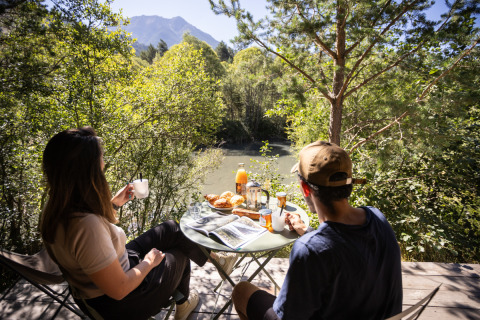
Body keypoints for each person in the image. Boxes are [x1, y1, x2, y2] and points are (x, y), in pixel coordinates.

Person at [39, 127, 237, 320]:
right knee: (180, 252)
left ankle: (218, 262)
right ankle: (185, 304)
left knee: (172, 228)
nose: (104, 163)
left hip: (114, 271)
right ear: (87, 170)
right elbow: (119, 289)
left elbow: (89, 242)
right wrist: (149, 262)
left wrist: (114, 205)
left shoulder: (56, 208)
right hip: (124, 301)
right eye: (100, 158)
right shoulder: (86, 226)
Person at [232, 141, 403, 320]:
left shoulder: (309, 250)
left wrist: (311, 240)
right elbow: (343, 245)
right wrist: (307, 231)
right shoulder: (377, 218)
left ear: (305, 188)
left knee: (242, 290)